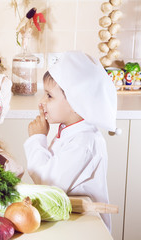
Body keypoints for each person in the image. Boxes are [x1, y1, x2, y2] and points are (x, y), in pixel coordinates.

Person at [24, 51, 118, 230]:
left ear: (77, 104)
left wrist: (37, 139)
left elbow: (48, 184)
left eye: (49, 96)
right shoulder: (69, 129)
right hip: (72, 219)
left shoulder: (84, 142)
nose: (41, 102)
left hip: (87, 227)